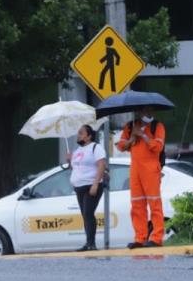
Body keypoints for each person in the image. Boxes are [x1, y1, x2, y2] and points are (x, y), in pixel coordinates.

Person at [116, 106, 166, 248]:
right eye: (146, 111)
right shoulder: (130, 126)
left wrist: (144, 135)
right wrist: (133, 137)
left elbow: (157, 147)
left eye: (151, 110)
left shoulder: (158, 126)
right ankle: (140, 237)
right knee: (137, 204)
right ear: (139, 112)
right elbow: (121, 146)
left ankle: (156, 238)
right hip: (135, 168)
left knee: (154, 204)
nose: (149, 113)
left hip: (151, 168)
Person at [68, 125, 107, 251]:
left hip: (91, 185)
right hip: (79, 186)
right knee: (85, 215)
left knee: (88, 213)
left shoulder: (96, 148)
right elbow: (76, 168)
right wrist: (69, 161)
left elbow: (101, 165)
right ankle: (88, 242)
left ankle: (92, 244)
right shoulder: (77, 150)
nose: (78, 135)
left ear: (89, 136)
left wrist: (95, 184)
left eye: (81, 133)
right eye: (78, 133)